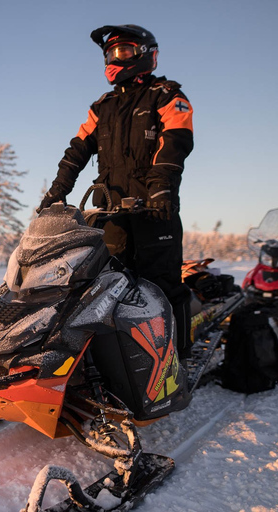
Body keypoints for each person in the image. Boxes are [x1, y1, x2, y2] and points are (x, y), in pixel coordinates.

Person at [37, 24, 194, 356]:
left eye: (121, 51)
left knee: (161, 285)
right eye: (110, 53)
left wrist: (160, 189)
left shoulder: (167, 96)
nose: (114, 59)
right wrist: (57, 191)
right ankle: (120, 359)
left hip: (154, 209)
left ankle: (177, 358)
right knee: (107, 287)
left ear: (144, 54)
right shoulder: (102, 106)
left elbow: (174, 144)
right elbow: (77, 150)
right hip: (112, 213)